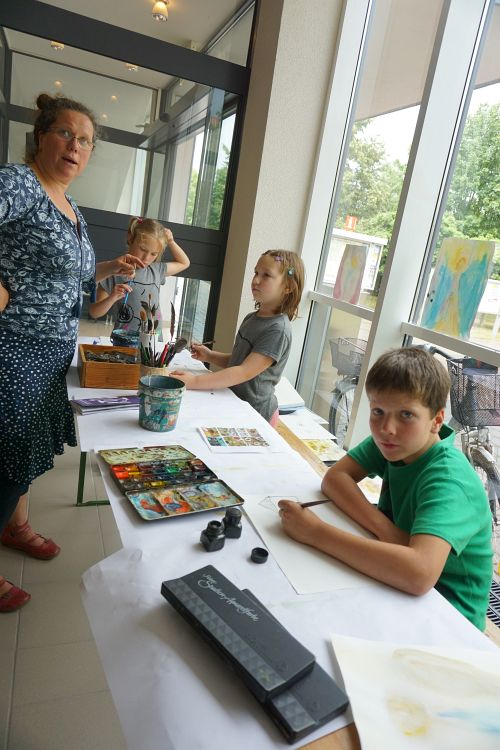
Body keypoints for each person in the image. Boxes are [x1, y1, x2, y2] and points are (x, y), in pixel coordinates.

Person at [0, 93, 146, 612]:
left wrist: (108, 268)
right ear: (41, 136)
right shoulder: (20, 183)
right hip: (16, 347)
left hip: (52, 350)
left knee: (21, 451)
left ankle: (14, 525)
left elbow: (71, 272)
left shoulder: (68, 204)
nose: (75, 146)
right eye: (65, 133)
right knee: (7, 457)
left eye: (85, 141)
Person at [279, 347, 493, 631]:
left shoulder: (449, 479)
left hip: (449, 618)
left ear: (436, 421)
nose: (386, 428)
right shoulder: (397, 442)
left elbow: (419, 574)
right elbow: (335, 478)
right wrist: (387, 531)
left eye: (406, 414)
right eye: (378, 411)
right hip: (396, 584)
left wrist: (315, 533)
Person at [171, 250, 305, 425]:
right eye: (256, 273)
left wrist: (194, 381)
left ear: (288, 287)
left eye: (266, 275)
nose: (256, 280)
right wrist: (210, 356)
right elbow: (240, 362)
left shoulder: (278, 330)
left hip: (255, 415)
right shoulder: (252, 318)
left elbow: (244, 372)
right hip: (235, 403)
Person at [88, 217, 190, 336]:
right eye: (142, 249)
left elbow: (184, 263)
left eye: (153, 254)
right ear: (130, 238)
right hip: (124, 340)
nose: (146, 258)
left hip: (153, 340)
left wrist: (171, 242)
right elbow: (94, 313)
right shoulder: (113, 271)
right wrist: (112, 297)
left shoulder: (156, 270)